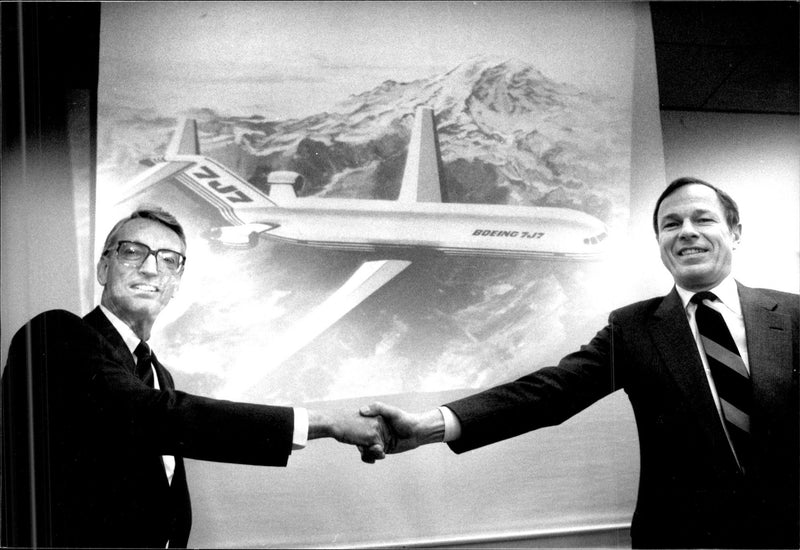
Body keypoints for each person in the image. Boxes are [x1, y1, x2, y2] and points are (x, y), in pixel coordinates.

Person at [362, 177, 799, 549]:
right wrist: (429, 425)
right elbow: (549, 393)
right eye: (671, 224)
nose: (686, 232)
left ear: (735, 232)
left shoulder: (793, 316)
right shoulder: (634, 328)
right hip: (681, 537)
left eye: (703, 219)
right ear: (661, 243)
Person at [1, 208, 388, 548]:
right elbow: (152, 416)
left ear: (177, 285)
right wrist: (327, 422)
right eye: (132, 252)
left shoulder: (158, 375)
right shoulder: (55, 334)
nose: (151, 268)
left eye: (169, 260)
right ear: (104, 267)